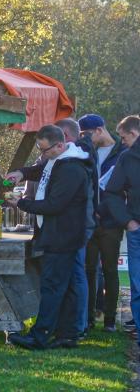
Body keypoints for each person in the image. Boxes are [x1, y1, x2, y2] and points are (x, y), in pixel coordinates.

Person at [7, 118, 96, 338]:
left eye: (45, 150)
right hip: (58, 233)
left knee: (53, 286)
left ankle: (41, 333)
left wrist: (21, 203)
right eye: (40, 149)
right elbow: (41, 170)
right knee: (62, 287)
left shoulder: (71, 169)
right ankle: (66, 333)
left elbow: (54, 205)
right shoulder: (58, 160)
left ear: (60, 145)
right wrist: (22, 173)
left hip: (64, 235)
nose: (42, 154)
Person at [79, 113, 127, 332]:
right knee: (89, 270)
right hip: (90, 222)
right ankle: (88, 318)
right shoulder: (89, 153)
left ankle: (109, 320)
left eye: (87, 134)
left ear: (99, 130)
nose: (85, 139)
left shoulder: (122, 152)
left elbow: (120, 190)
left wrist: (104, 211)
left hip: (110, 223)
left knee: (110, 270)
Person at [104, 115, 140, 349]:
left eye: (124, 137)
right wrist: (127, 221)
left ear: (134, 133)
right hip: (137, 225)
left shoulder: (128, 157)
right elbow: (112, 191)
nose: (123, 141)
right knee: (137, 282)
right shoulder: (128, 158)